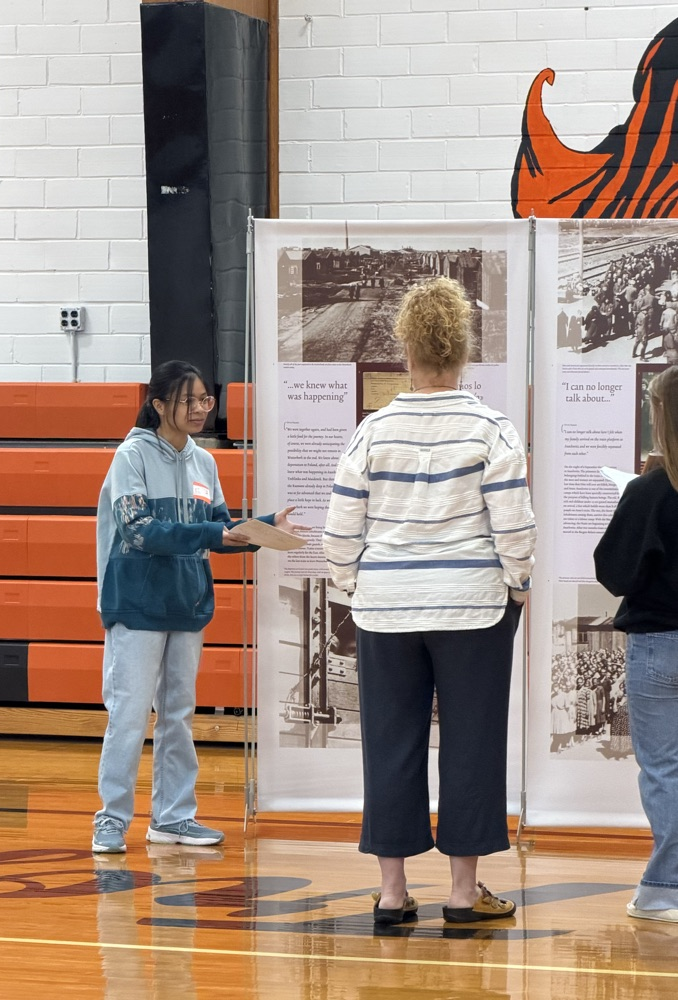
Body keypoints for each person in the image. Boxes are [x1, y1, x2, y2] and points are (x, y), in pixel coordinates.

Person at [322, 277, 536, 925]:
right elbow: (515, 528)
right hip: (473, 606)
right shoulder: (492, 429)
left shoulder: (373, 431)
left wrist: (355, 587)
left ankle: (392, 893)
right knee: (472, 742)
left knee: (391, 742)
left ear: (406, 348)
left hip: (387, 608)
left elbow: (340, 531)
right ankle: (463, 894)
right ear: (464, 350)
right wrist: (516, 586)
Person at [93, 360, 306, 854]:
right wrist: (217, 533)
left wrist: (265, 527)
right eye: (188, 401)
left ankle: (173, 817)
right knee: (128, 714)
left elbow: (220, 528)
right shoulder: (131, 457)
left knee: (178, 715)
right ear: (159, 404)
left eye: (204, 401)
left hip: (187, 604)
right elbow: (138, 531)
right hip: (137, 605)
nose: (199, 410)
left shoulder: (204, 462)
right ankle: (111, 819)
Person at [594, 364, 678, 922]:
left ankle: (665, 890)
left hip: (659, 644)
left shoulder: (650, 490)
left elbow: (616, 572)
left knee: (664, 769)